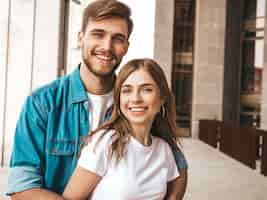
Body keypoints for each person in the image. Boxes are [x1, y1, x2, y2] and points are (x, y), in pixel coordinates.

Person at [7, 0, 187, 199]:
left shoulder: (133, 103)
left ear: (126, 46)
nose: (107, 46)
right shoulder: (42, 103)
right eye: (98, 34)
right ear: (80, 38)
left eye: (118, 38)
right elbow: (21, 188)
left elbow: (177, 163)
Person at [63, 58, 185, 200]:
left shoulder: (164, 150)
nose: (135, 98)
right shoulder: (105, 142)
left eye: (147, 89)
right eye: (127, 90)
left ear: (162, 97)